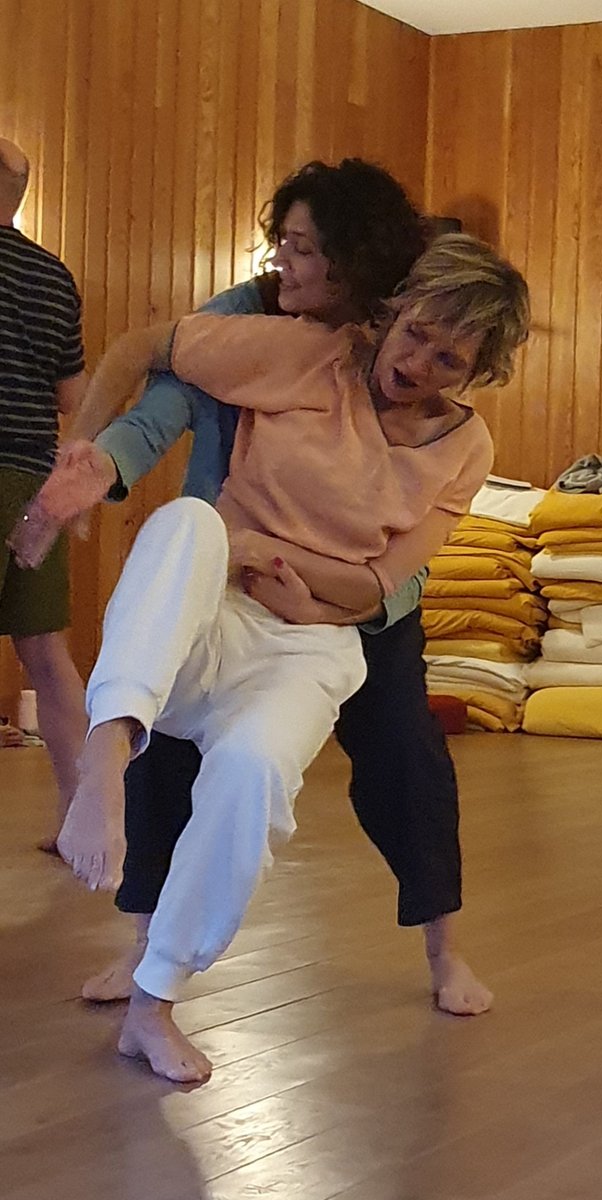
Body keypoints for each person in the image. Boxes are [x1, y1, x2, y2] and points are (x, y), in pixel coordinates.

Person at [42, 231, 530, 1083]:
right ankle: (107, 749)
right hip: (218, 610)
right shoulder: (307, 354)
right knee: (187, 525)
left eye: (449, 359)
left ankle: (154, 1007)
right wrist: (85, 453)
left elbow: (381, 580)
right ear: (393, 312)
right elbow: (147, 351)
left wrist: (294, 576)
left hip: (313, 643)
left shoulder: (466, 447)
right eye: (416, 334)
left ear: (478, 371)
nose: (418, 363)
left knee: (255, 773)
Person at [0, 137, 89, 848]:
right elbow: (73, 397)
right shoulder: (54, 276)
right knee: (47, 655)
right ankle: (82, 822)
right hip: (36, 483)